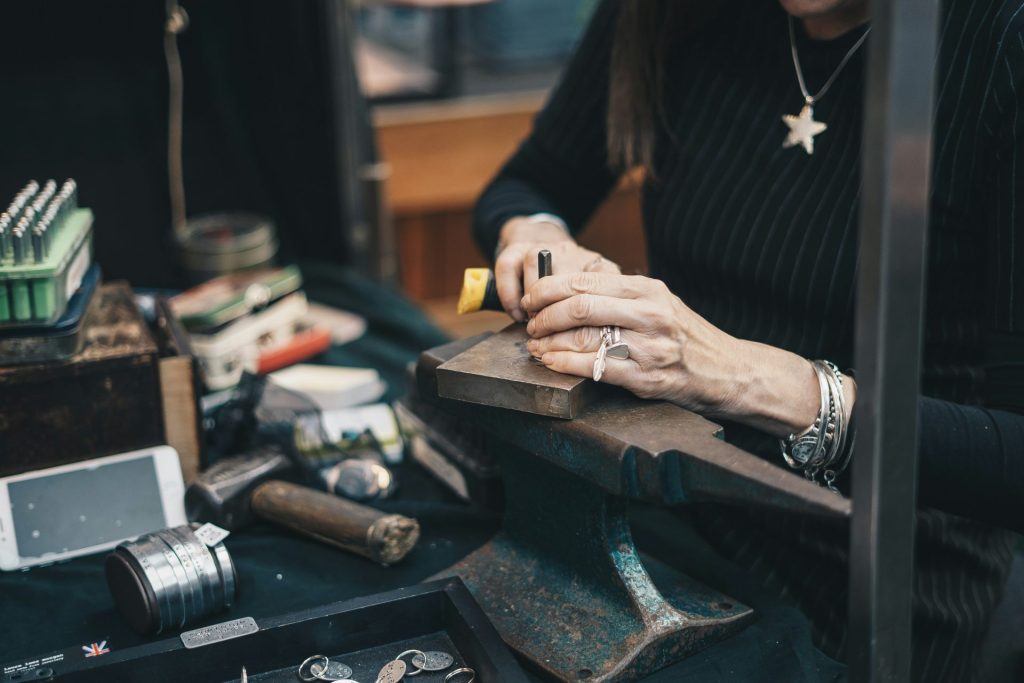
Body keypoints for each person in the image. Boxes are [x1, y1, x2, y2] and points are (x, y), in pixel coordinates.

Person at [473, 0, 1024, 680]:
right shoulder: (670, 13)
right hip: (661, 510)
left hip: (869, 581)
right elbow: (531, 181)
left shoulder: (1004, 40)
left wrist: (744, 377)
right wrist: (536, 234)